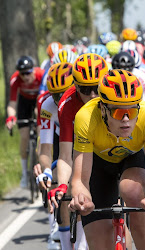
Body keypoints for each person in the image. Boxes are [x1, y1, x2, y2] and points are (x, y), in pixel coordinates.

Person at [69, 69, 145, 249]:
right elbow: (79, 180)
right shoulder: (86, 118)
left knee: (133, 191)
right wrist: (81, 197)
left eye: (131, 111)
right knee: (101, 244)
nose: (125, 119)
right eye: (117, 112)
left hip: (132, 159)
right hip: (98, 164)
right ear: (103, 109)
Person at [49, 53, 109, 250]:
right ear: (75, 86)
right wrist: (62, 186)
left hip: (112, 151)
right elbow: (66, 155)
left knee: (118, 210)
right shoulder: (67, 104)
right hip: (82, 149)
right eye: (85, 89)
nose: (92, 95)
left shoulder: (114, 98)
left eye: (96, 88)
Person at [34, 62, 74, 250]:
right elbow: (45, 150)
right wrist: (48, 170)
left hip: (87, 142)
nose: (59, 99)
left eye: (63, 93)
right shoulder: (47, 104)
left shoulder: (84, 100)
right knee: (60, 181)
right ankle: (65, 240)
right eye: (55, 94)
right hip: (62, 141)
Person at [6, 56, 45, 188]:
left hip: (39, 100)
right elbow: (12, 103)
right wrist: (11, 118)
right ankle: (24, 173)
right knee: (24, 136)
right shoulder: (15, 79)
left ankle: (43, 170)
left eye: (28, 72)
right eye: (22, 73)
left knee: (40, 135)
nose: (26, 76)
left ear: (33, 70)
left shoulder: (41, 75)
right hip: (24, 102)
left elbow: (44, 96)